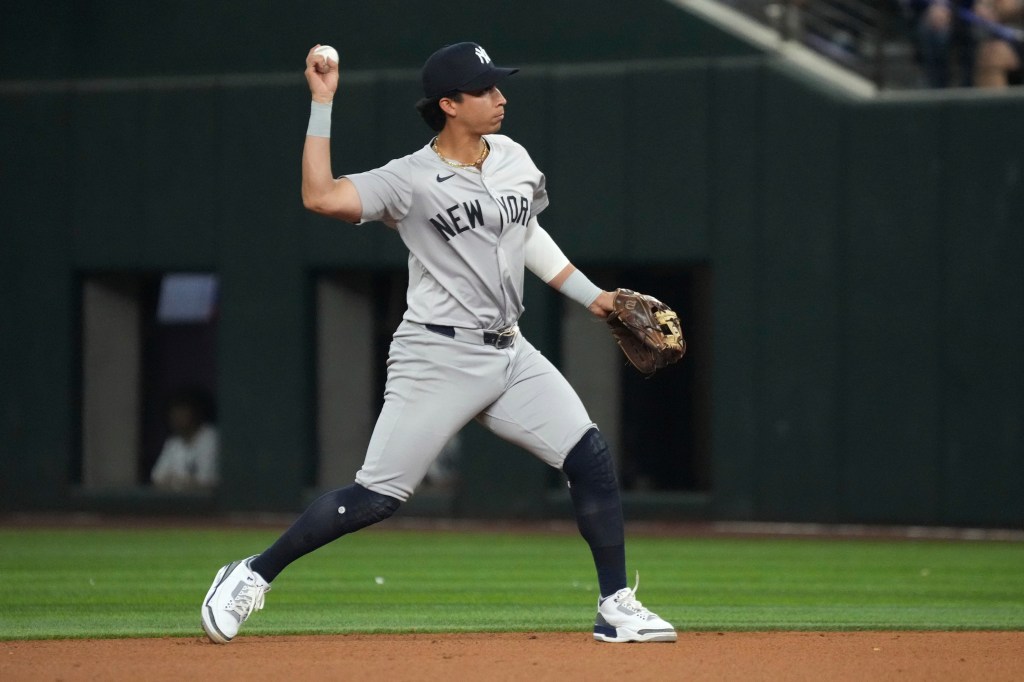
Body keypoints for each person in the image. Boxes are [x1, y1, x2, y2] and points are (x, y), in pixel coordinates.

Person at [200, 41, 676, 645]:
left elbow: (524, 233)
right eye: (484, 89)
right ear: (449, 104)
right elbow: (320, 197)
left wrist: (597, 298)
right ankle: (250, 574)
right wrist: (322, 103)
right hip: (436, 355)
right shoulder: (410, 179)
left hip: (510, 351)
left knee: (589, 457)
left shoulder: (511, 156)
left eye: (498, 85)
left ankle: (615, 606)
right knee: (376, 498)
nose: (501, 96)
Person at [150, 388, 219, 491]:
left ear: (195, 412)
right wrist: (184, 481)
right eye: (174, 412)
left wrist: (174, 481)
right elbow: (157, 478)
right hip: (178, 504)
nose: (177, 417)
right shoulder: (173, 443)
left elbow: (206, 481)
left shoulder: (211, 438)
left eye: (182, 411)